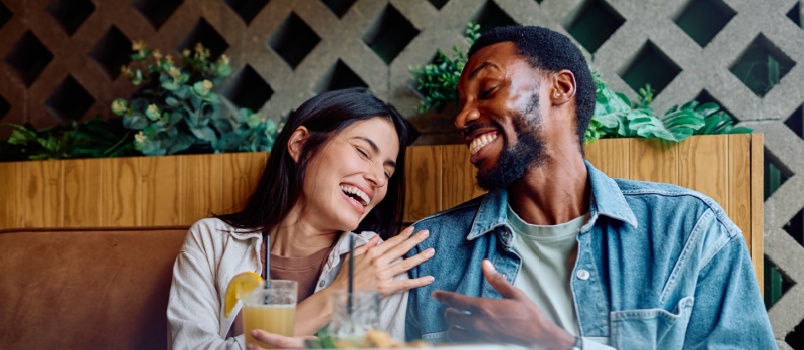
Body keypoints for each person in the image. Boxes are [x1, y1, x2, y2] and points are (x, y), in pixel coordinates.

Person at [404, 25, 777, 349]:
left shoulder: (688, 231)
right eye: (462, 103)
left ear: (561, 88)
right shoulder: (428, 251)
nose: (462, 117)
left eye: (486, 90)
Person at [167, 87, 436, 349]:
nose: (378, 179)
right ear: (300, 144)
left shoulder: (376, 260)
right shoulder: (213, 242)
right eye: (363, 152)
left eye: (388, 173)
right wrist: (336, 296)